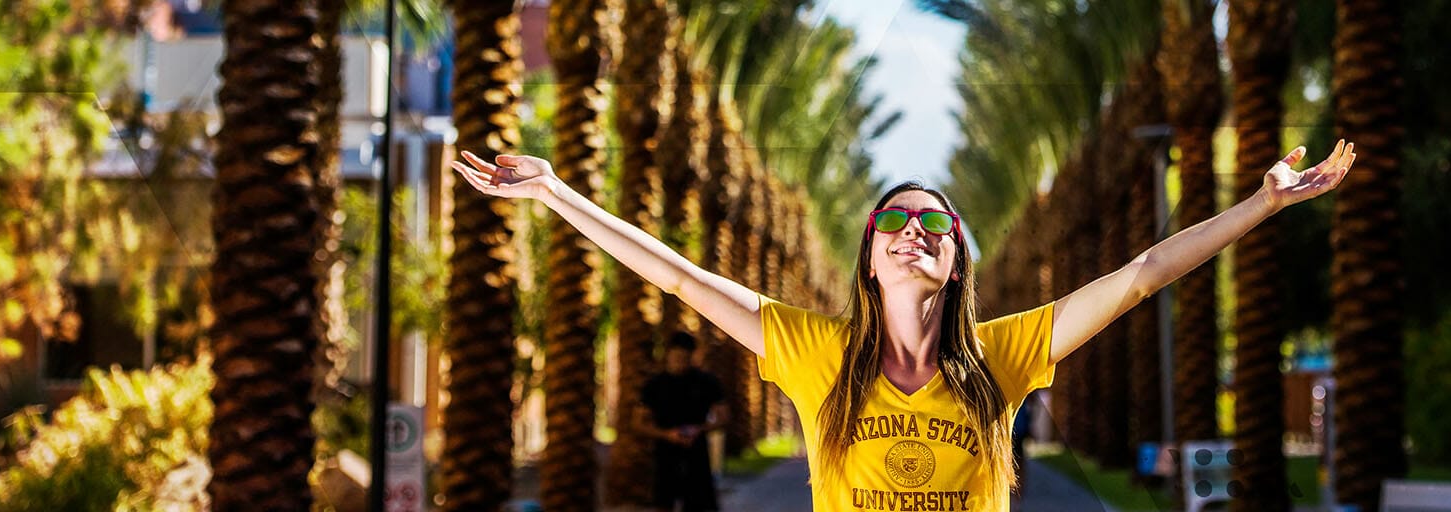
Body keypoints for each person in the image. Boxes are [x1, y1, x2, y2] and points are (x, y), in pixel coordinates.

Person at [449, 139, 1353, 511]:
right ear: (870, 258)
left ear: (956, 260)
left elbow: (1142, 273)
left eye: (933, 225)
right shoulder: (816, 354)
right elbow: (681, 279)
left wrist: (1263, 205)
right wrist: (555, 192)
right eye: (892, 222)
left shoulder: (1003, 354)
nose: (912, 232)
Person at [638, 331, 726, 512]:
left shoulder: (706, 382)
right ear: (668, 354)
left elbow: (724, 417)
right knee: (663, 503)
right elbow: (638, 422)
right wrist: (666, 435)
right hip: (664, 455)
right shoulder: (654, 385)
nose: (680, 361)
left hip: (697, 455)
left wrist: (700, 429)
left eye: (685, 357)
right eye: (677, 356)